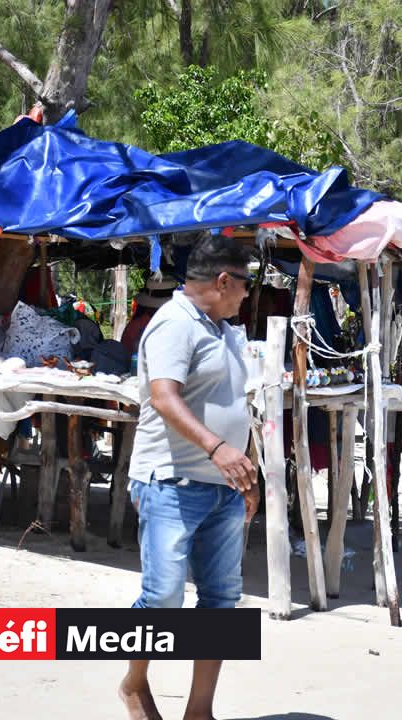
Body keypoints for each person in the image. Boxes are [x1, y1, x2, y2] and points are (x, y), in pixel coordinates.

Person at [119, 233, 259, 720]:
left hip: (224, 486)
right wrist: (218, 448)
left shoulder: (224, 331)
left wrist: (248, 472)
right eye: (245, 283)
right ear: (223, 281)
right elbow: (164, 397)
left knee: (220, 600)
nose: (248, 293)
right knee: (163, 596)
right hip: (170, 481)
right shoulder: (174, 324)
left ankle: (199, 711)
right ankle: (134, 683)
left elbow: (239, 407)